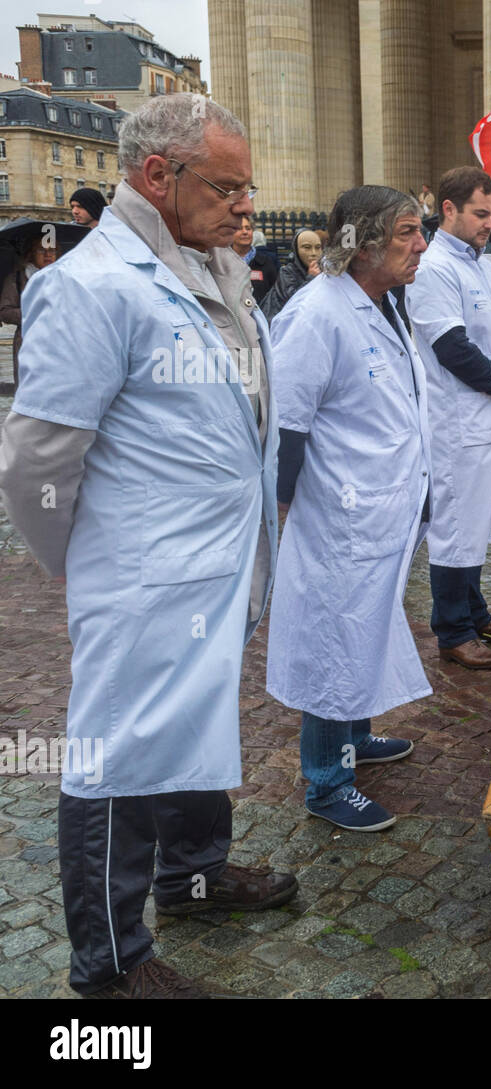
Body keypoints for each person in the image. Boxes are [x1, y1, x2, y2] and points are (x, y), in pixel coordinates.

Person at [0, 93, 291, 999]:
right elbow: (40, 457)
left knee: (194, 717)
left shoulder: (218, 269)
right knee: (116, 750)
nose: (247, 205)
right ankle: (110, 963)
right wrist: (81, 562)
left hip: (217, 561)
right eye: (229, 186)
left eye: (249, 188)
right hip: (145, 570)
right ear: (158, 175)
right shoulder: (91, 286)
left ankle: (193, 873)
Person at [268, 186, 431, 831]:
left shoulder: (384, 303)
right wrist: (280, 509)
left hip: (385, 505)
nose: (421, 244)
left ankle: (356, 736)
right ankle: (327, 779)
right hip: (342, 515)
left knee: (368, 622)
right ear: (362, 245)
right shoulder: (318, 315)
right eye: (407, 233)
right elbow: (287, 424)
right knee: (335, 636)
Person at [407, 166, 491, 669]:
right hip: (459, 422)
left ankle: (477, 614)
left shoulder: (482, 264)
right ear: (449, 210)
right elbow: (451, 347)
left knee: (478, 521)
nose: (489, 224)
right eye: (481, 214)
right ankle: (453, 632)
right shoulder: (435, 267)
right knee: (456, 524)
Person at [0, 238, 60, 389]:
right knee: (29, 391)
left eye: (52, 250)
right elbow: (5, 311)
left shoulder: (64, 278)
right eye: (42, 250)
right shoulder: (17, 279)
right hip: (28, 342)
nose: (47, 255)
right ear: (31, 254)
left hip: (59, 341)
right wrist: (34, 312)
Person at [260, 226, 322, 322]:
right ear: (296, 250)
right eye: (307, 247)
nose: (313, 253)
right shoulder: (287, 272)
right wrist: (311, 278)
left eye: (318, 248)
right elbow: (293, 301)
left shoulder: (323, 273)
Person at [231, 213, 280, 303]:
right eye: (239, 228)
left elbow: (275, 295)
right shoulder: (222, 262)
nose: (245, 232)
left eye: (248, 228)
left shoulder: (266, 262)